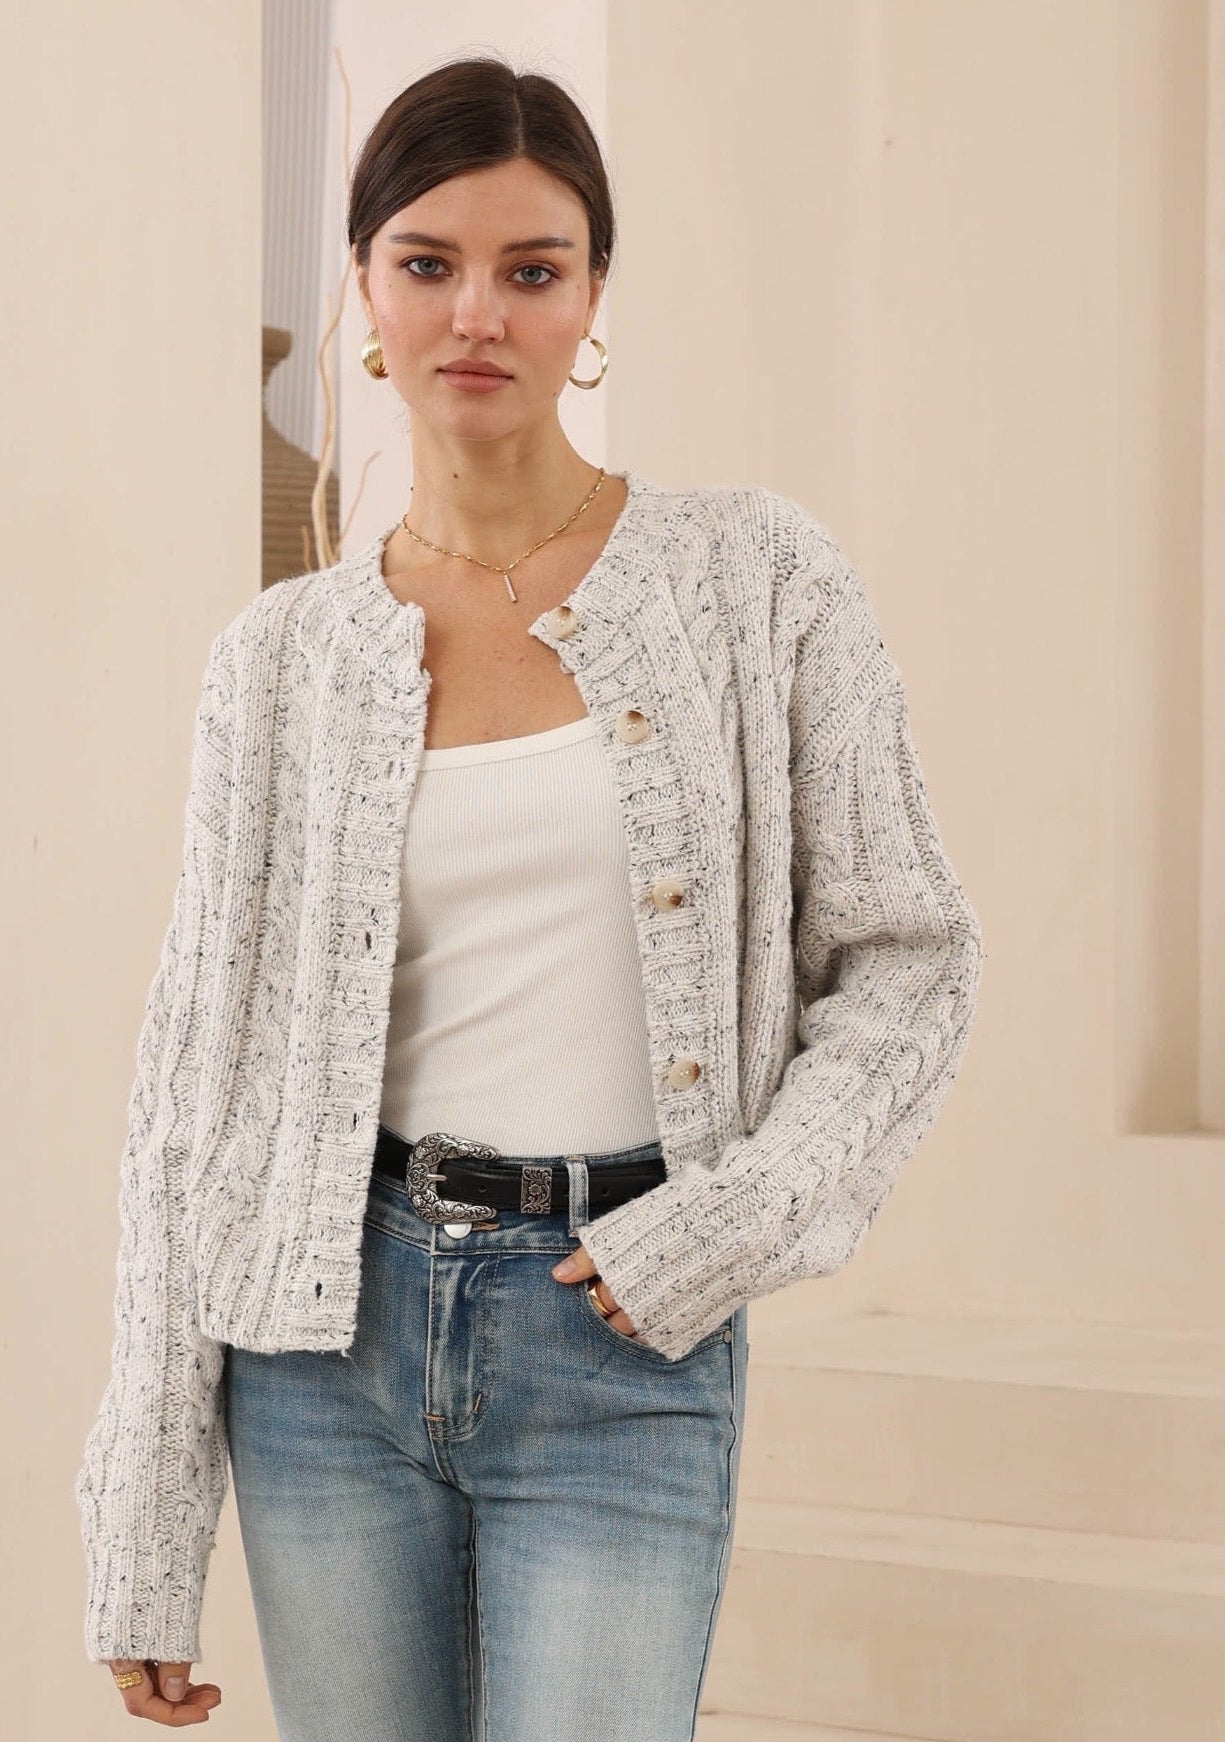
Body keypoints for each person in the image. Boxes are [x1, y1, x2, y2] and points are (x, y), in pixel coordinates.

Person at [76, 52, 984, 1740]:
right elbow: (191, 1095)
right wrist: (143, 1511)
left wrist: (730, 1220)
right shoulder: (277, 663)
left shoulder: (753, 580)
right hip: (322, 1344)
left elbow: (912, 957)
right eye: (426, 263)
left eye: (530, 268)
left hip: (620, 1338)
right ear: (363, 289)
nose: (475, 312)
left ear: (590, 299)